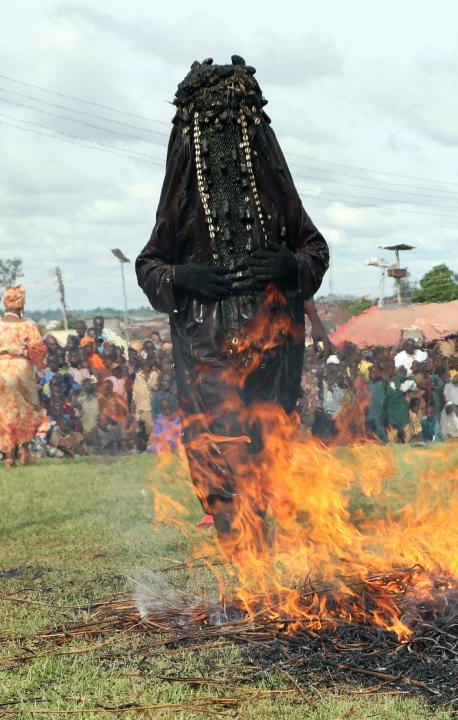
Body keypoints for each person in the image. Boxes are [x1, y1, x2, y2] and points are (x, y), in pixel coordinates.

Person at [136, 57, 329, 556]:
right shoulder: (182, 196)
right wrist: (185, 276)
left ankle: (259, 549)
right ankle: (244, 563)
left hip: (273, 348)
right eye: (209, 119)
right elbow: (149, 266)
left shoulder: (274, 192)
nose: (222, 131)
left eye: (236, 117)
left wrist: (288, 265)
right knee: (219, 454)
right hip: (207, 353)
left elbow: (315, 250)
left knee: (265, 453)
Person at [0, 286, 49, 469]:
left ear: (5, 303)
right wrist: (39, 367)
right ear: (21, 304)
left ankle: (8, 457)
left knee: (3, 413)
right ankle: (24, 451)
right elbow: (38, 351)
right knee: (25, 410)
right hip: (22, 371)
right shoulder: (29, 326)